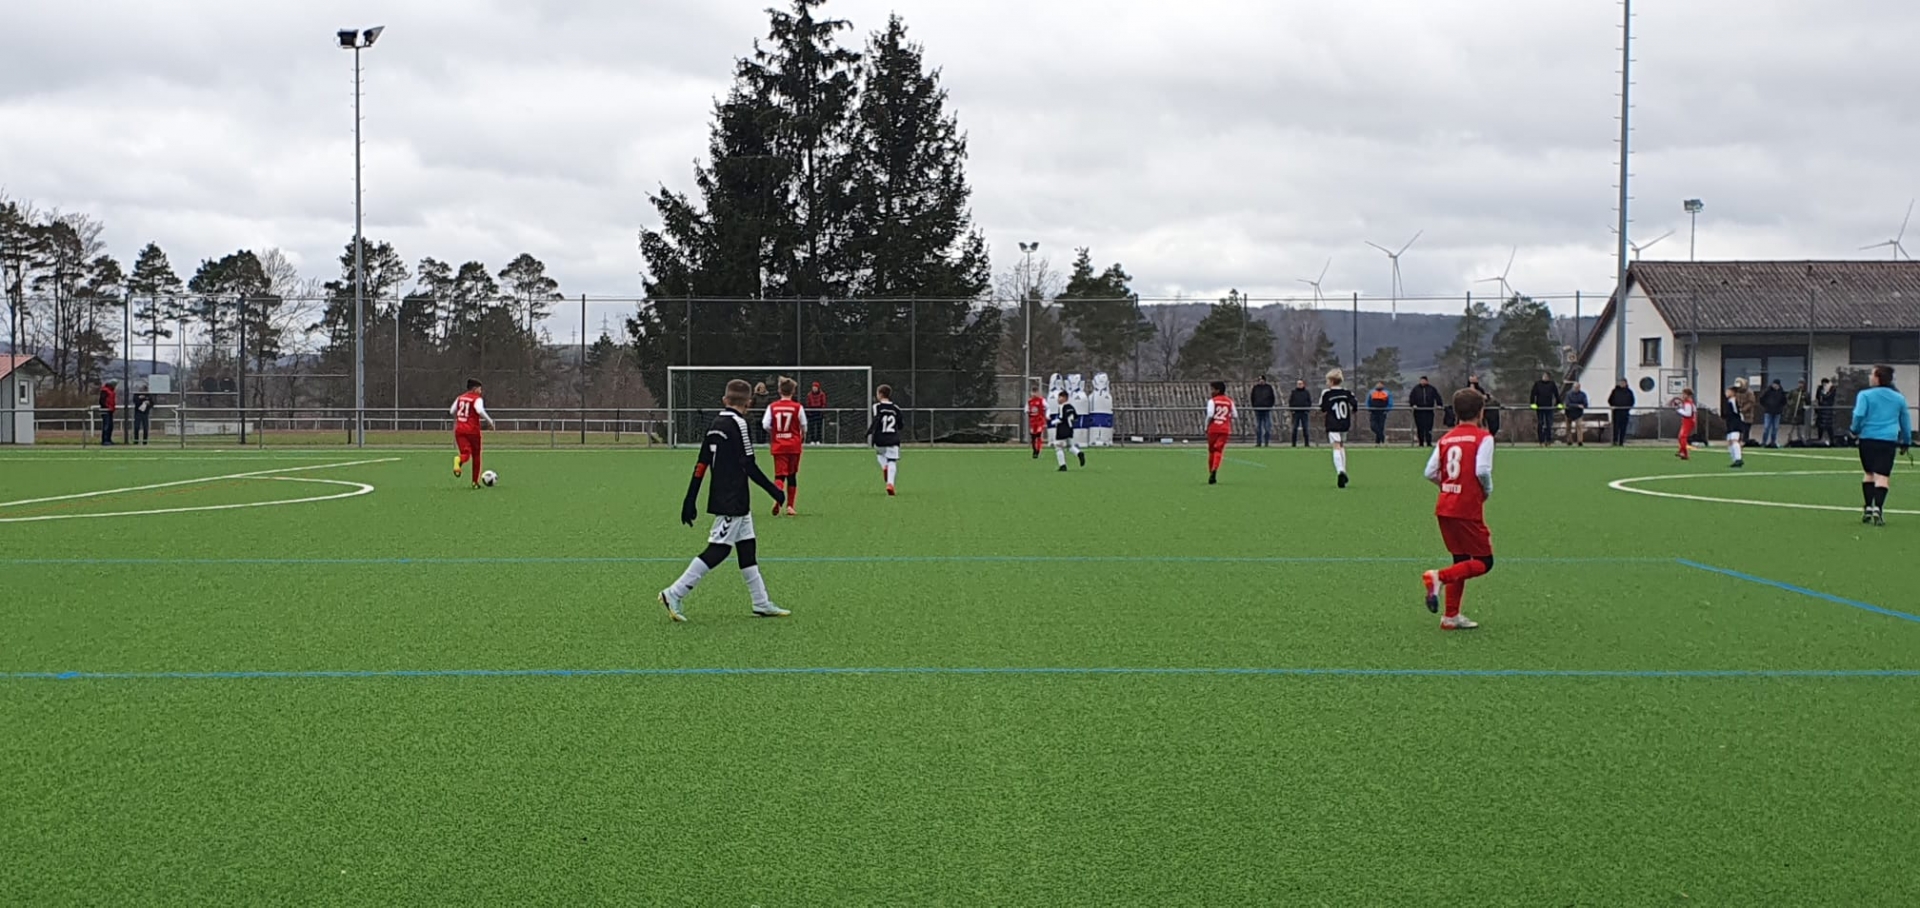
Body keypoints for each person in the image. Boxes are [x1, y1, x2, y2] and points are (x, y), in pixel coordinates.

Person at [659, 378, 789, 622]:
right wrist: (774, 490)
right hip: (732, 498)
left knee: (747, 549)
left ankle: (761, 602)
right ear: (749, 403)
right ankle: (674, 593)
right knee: (719, 549)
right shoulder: (739, 424)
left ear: (724, 400)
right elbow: (748, 464)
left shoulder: (715, 423)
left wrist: (690, 498)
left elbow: (701, 463)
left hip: (731, 497)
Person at [1419, 387, 1496, 631]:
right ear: (1481, 412)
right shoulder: (1484, 437)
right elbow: (1482, 470)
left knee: (1460, 559)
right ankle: (1438, 577)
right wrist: (1486, 490)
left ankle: (1450, 616)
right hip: (1466, 508)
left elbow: (1429, 472)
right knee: (1484, 561)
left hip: (1445, 506)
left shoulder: (1446, 439)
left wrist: (1448, 486)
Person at [1851, 364, 1912, 526]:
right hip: (1888, 441)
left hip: (1867, 439)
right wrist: (1906, 441)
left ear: (1878, 378)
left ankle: (1868, 507)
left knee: (1869, 473)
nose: (1870, 377)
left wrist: (1855, 430)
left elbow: (1858, 415)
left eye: (1872, 374)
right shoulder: (1898, 398)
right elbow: (1905, 421)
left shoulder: (1865, 395)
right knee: (1883, 476)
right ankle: (1878, 507)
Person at [761, 377, 806, 516]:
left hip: (779, 445)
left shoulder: (772, 407)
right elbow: (804, 425)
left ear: (779, 390)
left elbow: (765, 424)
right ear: (793, 391)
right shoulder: (798, 407)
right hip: (794, 445)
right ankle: (790, 506)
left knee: (779, 476)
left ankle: (778, 497)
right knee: (792, 476)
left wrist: (774, 432)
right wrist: (802, 435)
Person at [450, 378, 496, 487]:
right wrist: (490, 421)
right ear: (475, 389)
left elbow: (452, 411)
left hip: (459, 430)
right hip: (472, 431)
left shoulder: (460, 398)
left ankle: (459, 460)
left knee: (465, 453)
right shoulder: (477, 399)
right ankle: (475, 482)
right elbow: (479, 410)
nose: (481, 391)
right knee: (476, 456)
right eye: (480, 389)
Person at [1320, 369, 1357, 488]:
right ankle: (1344, 472)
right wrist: (1353, 410)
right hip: (1345, 423)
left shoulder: (1327, 394)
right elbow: (1354, 404)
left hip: (1333, 423)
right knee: (1341, 445)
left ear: (1331, 381)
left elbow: (1323, 408)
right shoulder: (1347, 393)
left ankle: (1340, 471)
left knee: (1336, 446)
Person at [868, 384, 902, 496]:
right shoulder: (896, 408)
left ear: (880, 394)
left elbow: (876, 419)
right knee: (892, 460)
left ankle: (884, 467)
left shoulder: (876, 407)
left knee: (880, 454)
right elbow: (900, 424)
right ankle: (890, 484)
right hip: (893, 438)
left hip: (880, 438)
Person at [1205, 380, 1236, 484]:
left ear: (1218, 390)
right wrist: (1227, 417)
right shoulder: (1229, 401)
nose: (1211, 391)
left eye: (1212, 389)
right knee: (1219, 450)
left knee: (1211, 450)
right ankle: (1215, 469)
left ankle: (1211, 471)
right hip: (1224, 429)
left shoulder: (1212, 401)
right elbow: (1235, 415)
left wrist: (1206, 426)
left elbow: (1210, 415)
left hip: (1213, 429)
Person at [1052, 390, 1086, 472]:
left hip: (1062, 430)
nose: (1058, 399)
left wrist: (1053, 422)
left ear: (1065, 398)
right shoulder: (1071, 407)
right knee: (1070, 446)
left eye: (1060, 397)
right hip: (1070, 429)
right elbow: (1076, 418)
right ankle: (1079, 453)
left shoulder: (1062, 407)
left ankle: (1062, 466)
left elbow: (1061, 418)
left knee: (1058, 448)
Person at [1408, 376, 1442, 447]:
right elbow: (1411, 397)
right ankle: (1421, 443)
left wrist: (1439, 404)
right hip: (1418, 411)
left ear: (1427, 381)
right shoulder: (1415, 389)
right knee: (1420, 427)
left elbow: (1437, 396)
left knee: (1429, 427)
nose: (1422, 382)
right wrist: (1413, 404)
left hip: (1429, 411)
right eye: (1421, 380)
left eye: (1424, 380)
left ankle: (1429, 442)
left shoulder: (1431, 389)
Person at [1529, 371, 1561, 447]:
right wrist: (1532, 403)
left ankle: (1548, 440)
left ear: (1549, 377)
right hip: (1540, 407)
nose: (1544, 377)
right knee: (1540, 423)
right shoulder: (1538, 384)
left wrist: (1558, 403)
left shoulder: (1552, 384)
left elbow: (1556, 394)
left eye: (1546, 376)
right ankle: (1541, 441)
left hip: (1549, 407)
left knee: (1548, 424)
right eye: (1544, 376)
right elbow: (1533, 394)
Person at [1721, 384, 1749, 469]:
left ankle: (1738, 459)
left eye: (1728, 391)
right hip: (1730, 423)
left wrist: (1740, 421)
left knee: (1734, 440)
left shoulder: (1733, 401)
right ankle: (1734, 459)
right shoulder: (1729, 401)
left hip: (1735, 423)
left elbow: (1737, 412)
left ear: (1733, 392)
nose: (1726, 393)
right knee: (1730, 441)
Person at [1759, 379, 1787, 448]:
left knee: (1775, 428)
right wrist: (1766, 406)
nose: (1775, 386)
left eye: (1776, 385)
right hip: (1768, 412)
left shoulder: (1781, 392)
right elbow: (1761, 399)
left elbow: (1784, 401)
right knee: (1766, 427)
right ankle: (1764, 442)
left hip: (1777, 412)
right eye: (1774, 384)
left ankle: (1773, 442)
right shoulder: (1767, 391)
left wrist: (1780, 408)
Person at [1606, 379, 1635, 446]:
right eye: (1621, 383)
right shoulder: (1615, 391)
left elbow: (1632, 401)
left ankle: (1621, 442)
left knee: (1623, 428)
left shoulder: (1629, 392)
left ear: (1626, 383)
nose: (1622, 384)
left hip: (1625, 412)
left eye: (1623, 383)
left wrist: (1628, 408)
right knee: (1616, 427)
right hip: (1616, 412)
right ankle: (1615, 441)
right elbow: (1610, 400)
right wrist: (1613, 406)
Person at [1288, 379, 1314, 447]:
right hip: (1296, 413)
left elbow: (1309, 402)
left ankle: (1307, 444)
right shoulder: (1294, 392)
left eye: (1300, 384)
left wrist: (1307, 410)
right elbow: (1290, 401)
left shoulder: (1306, 392)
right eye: (1298, 384)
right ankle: (1293, 444)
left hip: (1304, 413)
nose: (1299, 385)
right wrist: (1292, 410)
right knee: (1294, 428)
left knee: (1305, 428)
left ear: (1303, 384)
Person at [1026, 383, 1048, 459]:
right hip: (1032, 422)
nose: (1034, 394)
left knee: (1038, 435)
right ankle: (1034, 450)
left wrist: (1046, 415)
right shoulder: (1029, 401)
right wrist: (1028, 412)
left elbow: (1047, 407)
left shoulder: (1042, 400)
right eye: (1033, 392)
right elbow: (1026, 410)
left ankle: (1038, 451)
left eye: (1035, 392)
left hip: (1039, 421)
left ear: (1038, 392)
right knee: (1033, 437)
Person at [1784, 380, 1809, 445]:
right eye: (1800, 383)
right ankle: (1788, 441)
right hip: (1793, 413)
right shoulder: (1793, 391)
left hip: (1800, 413)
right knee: (1791, 429)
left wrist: (1804, 408)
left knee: (1800, 430)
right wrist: (1790, 404)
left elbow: (1808, 403)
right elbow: (1787, 398)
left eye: (1802, 383)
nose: (1801, 385)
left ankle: (1802, 442)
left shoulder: (1805, 393)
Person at [1675, 389, 1697, 460]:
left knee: (1682, 437)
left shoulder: (1688, 403)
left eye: (1684, 394)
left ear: (1688, 395)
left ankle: (1685, 453)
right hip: (1687, 421)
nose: (1683, 396)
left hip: (1688, 421)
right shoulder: (1689, 403)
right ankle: (1681, 451)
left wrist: (1679, 410)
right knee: (1680, 437)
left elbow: (1688, 414)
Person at [1814, 378, 1837, 445]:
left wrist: (1824, 392)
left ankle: (1832, 441)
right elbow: (1817, 397)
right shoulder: (1820, 389)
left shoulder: (1832, 389)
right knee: (1820, 426)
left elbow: (1828, 396)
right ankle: (1819, 440)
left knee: (1829, 427)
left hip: (1828, 410)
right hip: (1821, 410)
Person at [97, 380, 118, 446]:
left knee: (110, 426)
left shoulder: (110, 391)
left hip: (110, 410)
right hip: (106, 410)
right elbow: (101, 401)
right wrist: (106, 407)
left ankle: (108, 439)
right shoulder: (105, 391)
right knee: (106, 425)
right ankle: (105, 440)